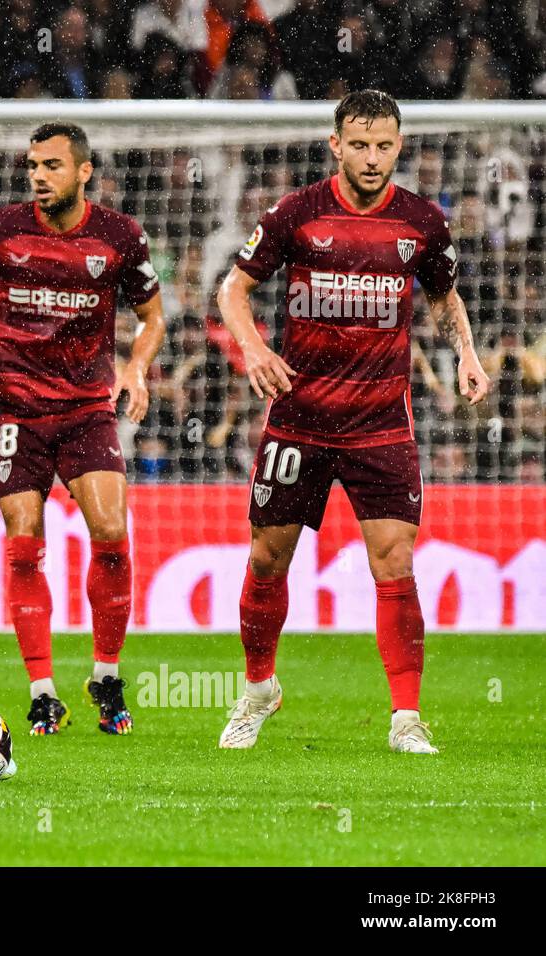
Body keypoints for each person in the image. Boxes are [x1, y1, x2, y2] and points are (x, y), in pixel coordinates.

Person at [215, 90, 492, 754]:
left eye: (384, 146)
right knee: (266, 558)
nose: (373, 159)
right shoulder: (297, 213)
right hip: (299, 419)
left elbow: (444, 295)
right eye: (360, 145)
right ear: (335, 145)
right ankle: (259, 689)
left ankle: (405, 718)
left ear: (400, 146)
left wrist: (468, 355)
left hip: (380, 426)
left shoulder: (422, 220)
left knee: (394, 563)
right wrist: (254, 348)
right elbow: (233, 288)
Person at [0, 122, 167, 737]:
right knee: (22, 537)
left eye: (51, 165)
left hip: (87, 409)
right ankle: (42, 691)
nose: (39, 176)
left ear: (84, 171)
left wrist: (138, 368)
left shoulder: (120, 237)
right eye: (32, 166)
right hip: (15, 408)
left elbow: (152, 317)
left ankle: (106, 673)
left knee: (111, 532)